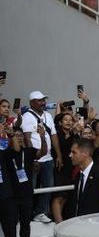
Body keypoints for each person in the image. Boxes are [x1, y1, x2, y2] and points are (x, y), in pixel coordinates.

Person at [0, 123, 46, 237]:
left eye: (20, 135)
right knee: (10, 226)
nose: (19, 138)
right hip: (11, 196)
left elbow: (42, 153)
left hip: (26, 194)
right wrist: (10, 136)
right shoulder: (6, 153)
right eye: (16, 135)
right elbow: (13, 146)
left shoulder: (29, 151)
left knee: (26, 224)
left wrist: (43, 138)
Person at [21, 91, 62, 223]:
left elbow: (54, 136)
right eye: (39, 100)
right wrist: (33, 159)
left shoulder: (48, 116)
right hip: (34, 159)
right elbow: (27, 139)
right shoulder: (26, 116)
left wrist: (59, 154)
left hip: (48, 158)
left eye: (43, 100)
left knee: (48, 186)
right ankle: (26, 214)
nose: (43, 102)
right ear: (32, 102)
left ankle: (40, 212)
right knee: (30, 188)